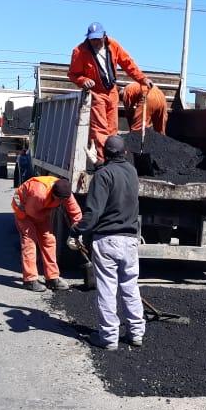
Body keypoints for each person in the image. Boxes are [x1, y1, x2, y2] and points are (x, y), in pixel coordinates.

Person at [69, 135, 145, 350]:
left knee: (107, 289)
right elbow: (116, 170)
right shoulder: (132, 171)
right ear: (125, 153)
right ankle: (136, 333)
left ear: (105, 153)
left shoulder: (102, 176)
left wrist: (76, 230)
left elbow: (93, 213)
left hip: (108, 241)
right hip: (130, 241)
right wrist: (98, 162)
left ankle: (109, 338)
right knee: (130, 287)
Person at [68, 22, 152, 163]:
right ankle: (102, 162)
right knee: (99, 130)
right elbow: (73, 74)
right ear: (88, 38)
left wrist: (142, 78)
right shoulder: (79, 51)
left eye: (97, 39)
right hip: (96, 93)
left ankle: (114, 160)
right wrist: (83, 81)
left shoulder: (113, 45)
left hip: (111, 91)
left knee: (112, 129)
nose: (95, 42)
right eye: (92, 39)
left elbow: (128, 64)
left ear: (104, 36)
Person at [12, 176, 82, 292]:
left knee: (49, 240)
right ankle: (29, 280)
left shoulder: (65, 192)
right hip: (24, 210)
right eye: (58, 199)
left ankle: (52, 278)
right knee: (30, 241)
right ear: (53, 193)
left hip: (39, 211)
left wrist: (77, 233)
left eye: (62, 200)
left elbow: (75, 212)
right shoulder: (39, 193)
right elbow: (33, 214)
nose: (60, 202)